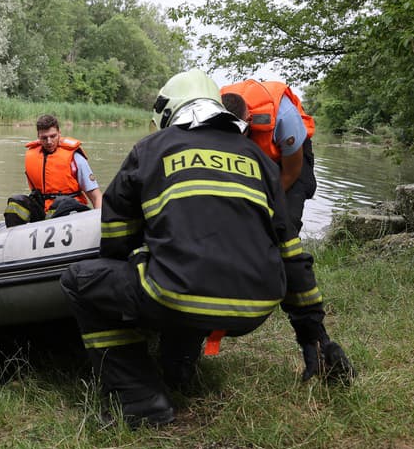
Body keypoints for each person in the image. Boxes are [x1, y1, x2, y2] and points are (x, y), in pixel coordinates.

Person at [60, 69, 353, 429]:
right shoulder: (260, 160)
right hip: (256, 307)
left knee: (84, 280)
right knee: (184, 279)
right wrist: (313, 335)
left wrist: (143, 263)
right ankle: (179, 366)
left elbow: (117, 239)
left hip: (178, 294)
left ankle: (138, 398)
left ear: (170, 112)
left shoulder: (149, 151)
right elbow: (291, 253)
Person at [221, 79, 317, 233]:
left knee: (285, 217)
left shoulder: (284, 118)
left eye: (237, 134)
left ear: (248, 120)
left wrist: (264, 202)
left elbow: (290, 173)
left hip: (288, 159)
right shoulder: (208, 112)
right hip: (254, 151)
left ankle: (285, 252)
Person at [3, 114, 102, 226]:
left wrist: (99, 222)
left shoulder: (75, 158)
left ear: (59, 133)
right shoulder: (32, 155)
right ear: (38, 136)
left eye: (53, 136)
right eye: (44, 138)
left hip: (70, 211)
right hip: (44, 210)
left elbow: (96, 196)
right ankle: (15, 237)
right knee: (16, 202)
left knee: (60, 203)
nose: (49, 141)